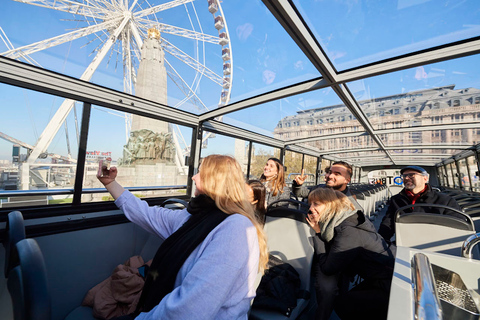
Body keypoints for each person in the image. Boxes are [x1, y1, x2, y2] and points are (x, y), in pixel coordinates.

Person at [97, 155, 268, 320]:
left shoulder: (236, 228)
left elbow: (192, 309)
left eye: (201, 173)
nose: (194, 177)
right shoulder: (191, 217)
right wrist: (111, 184)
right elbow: (147, 214)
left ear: (215, 180)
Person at [306, 188, 396, 320]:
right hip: (378, 274)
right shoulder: (346, 219)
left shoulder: (347, 232)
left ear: (332, 205)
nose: (310, 208)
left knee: (344, 305)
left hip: (390, 280)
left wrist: (318, 233)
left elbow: (328, 269)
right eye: (310, 204)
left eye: (316, 204)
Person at [378, 165, 462, 243]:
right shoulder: (396, 200)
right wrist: (381, 243)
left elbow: (458, 227)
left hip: (437, 244)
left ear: (425, 178)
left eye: (411, 175)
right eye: (404, 176)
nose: (406, 178)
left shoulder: (445, 201)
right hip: (405, 243)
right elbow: (388, 223)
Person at [293, 161, 362, 211]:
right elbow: (299, 193)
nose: (330, 176)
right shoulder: (319, 188)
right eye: (330, 172)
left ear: (347, 180)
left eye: (337, 174)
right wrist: (298, 185)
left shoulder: (350, 203)